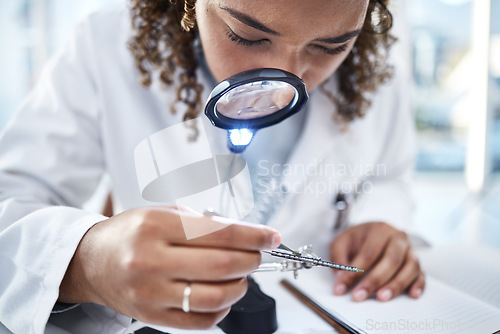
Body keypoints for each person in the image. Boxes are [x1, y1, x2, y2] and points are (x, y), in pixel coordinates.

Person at [0, 0, 425, 333]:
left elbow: (390, 178)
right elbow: (10, 202)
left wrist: (380, 221)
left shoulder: (377, 71)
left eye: (330, 46)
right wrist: (85, 262)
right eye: (247, 36)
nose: (283, 80)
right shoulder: (103, 47)